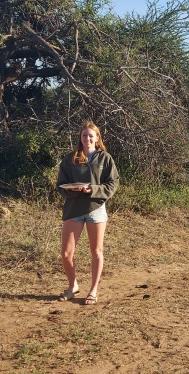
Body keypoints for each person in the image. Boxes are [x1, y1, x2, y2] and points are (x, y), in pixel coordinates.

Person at [56, 121, 119, 305]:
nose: (87, 139)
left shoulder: (105, 158)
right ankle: (72, 286)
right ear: (80, 137)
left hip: (96, 210)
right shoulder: (70, 159)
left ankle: (93, 291)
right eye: (84, 135)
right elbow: (61, 185)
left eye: (91, 135)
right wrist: (73, 190)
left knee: (96, 251)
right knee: (66, 253)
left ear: (97, 138)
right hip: (73, 209)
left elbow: (112, 184)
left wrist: (92, 190)